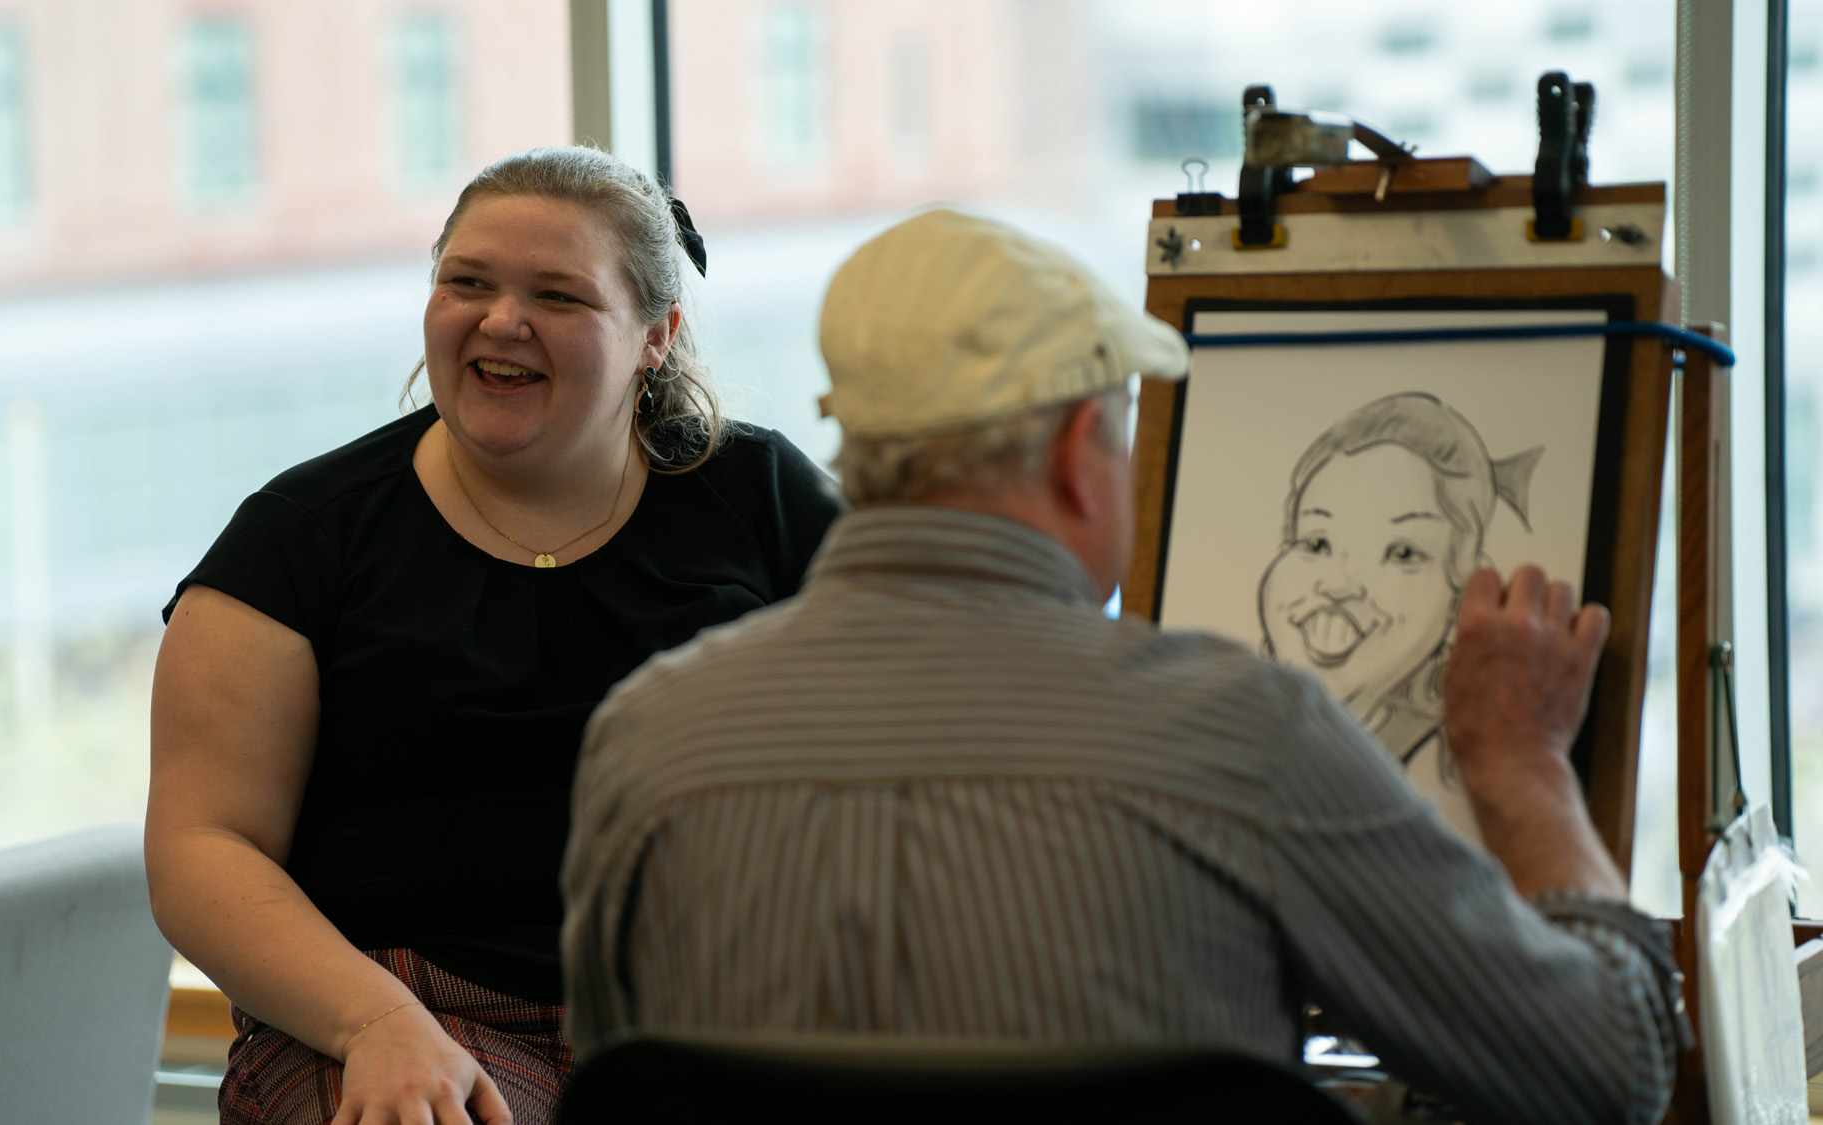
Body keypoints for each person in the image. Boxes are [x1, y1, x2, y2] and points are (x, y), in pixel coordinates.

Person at [561, 209, 1686, 1125]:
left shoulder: (646, 736)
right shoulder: (1246, 735)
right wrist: (1525, 769)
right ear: (1074, 456)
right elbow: (1604, 1076)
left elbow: (617, 1073)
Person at [145, 146, 841, 1125]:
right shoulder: (301, 538)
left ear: (655, 334)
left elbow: (921, 701)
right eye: (465, 282)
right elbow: (203, 843)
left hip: (713, 1016)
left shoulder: (764, 499)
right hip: (404, 1008)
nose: (500, 320)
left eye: (556, 296)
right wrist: (372, 1024)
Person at [1258, 391, 1544, 839]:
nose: (1338, 585)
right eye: (1315, 544)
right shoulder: (1220, 734)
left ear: (1464, 593)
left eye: (1403, 553)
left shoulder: (1434, 783)